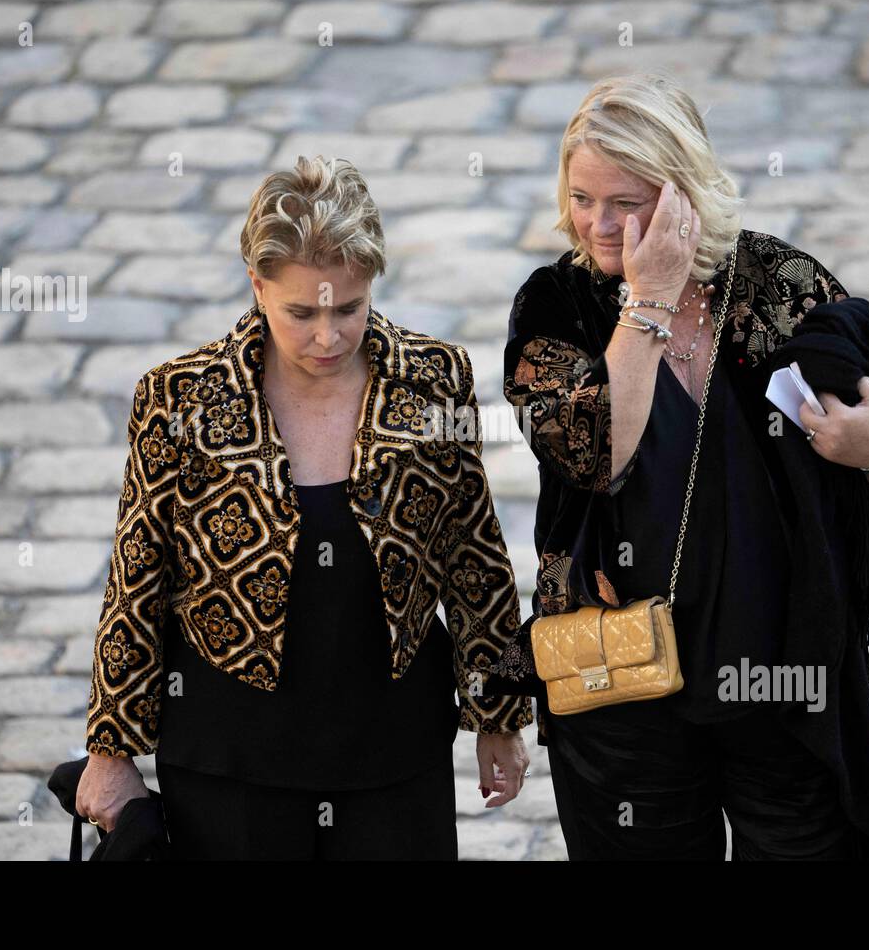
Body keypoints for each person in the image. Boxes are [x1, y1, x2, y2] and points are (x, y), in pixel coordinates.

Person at [487, 72, 869, 860]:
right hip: (622, 675)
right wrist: (649, 303)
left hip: (781, 674)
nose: (599, 224)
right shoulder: (556, 307)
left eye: (626, 202)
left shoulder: (779, 284)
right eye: (583, 197)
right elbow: (594, 457)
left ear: (684, 192)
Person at [77, 155, 532, 859]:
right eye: (301, 312)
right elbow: (137, 580)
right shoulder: (180, 398)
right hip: (229, 763)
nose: (328, 336)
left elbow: (474, 558)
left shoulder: (434, 381)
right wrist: (110, 749)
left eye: (348, 307)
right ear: (258, 286)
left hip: (391, 755)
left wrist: (498, 714)